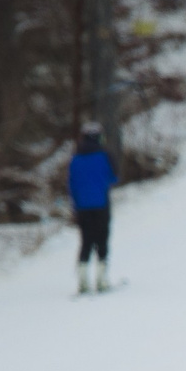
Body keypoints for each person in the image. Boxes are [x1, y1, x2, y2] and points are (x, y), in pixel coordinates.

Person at [68, 123, 117, 294]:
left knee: (86, 241)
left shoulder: (75, 159)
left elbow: (71, 185)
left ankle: (82, 281)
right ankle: (101, 280)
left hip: (82, 207)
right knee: (102, 239)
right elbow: (114, 177)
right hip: (101, 204)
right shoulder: (104, 156)